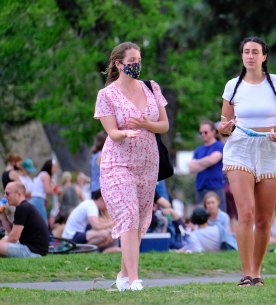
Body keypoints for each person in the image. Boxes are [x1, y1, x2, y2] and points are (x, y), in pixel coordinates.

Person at [217, 36, 276, 286]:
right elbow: (224, 126)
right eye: (246, 52)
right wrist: (224, 127)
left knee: (264, 218)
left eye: (255, 52)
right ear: (242, 56)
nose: (250, 56)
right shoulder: (233, 85)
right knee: (246, 213)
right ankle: (246, 273)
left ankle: (258, 272)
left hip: (269, 148)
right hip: (240, 148)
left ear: (264, 56)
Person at [94, 41, 169, 291]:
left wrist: (147, 124)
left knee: (138, 221)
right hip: (118, 162)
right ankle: (135, 278)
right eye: (132, 62)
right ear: (118, 64)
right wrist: (125, 133)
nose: (137, 65)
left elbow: (164, 125)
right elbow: (112, 133)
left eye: (139, 61)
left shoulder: (151, 87)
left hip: (148, 163)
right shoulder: (106, 95)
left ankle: (123, 276)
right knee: (127, 215)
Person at [0, 181, 49, 258]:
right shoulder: (25, 206)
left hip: (33, 252)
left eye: (7, 193)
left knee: (2, 243)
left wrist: (3, 245)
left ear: (18, 194)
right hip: (36, 250)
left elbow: (14, 238)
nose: (4, 196)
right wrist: (2, 213)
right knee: (4, 239)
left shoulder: (22, 208)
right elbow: (11, 232)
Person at [189, 120, 226, 209]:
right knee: (201, 218)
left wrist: (197, 162)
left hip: (216, 188)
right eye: (200, 132)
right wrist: (207, 161)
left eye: (205, 132)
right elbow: (191, 168)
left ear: (213, 132)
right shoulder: (198, 149)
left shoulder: (219, 146)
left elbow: (212, 160)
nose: (203, 134)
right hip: (201, 188)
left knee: (219, 218)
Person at [29, 159, 58, 224]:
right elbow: (47, 190)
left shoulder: (40, 174)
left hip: (34, 199)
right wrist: (54, 188)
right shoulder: (46, 175)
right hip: (38, 200)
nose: (56, 169)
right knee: (44, 223)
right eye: (54, 167)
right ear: (50, 166)